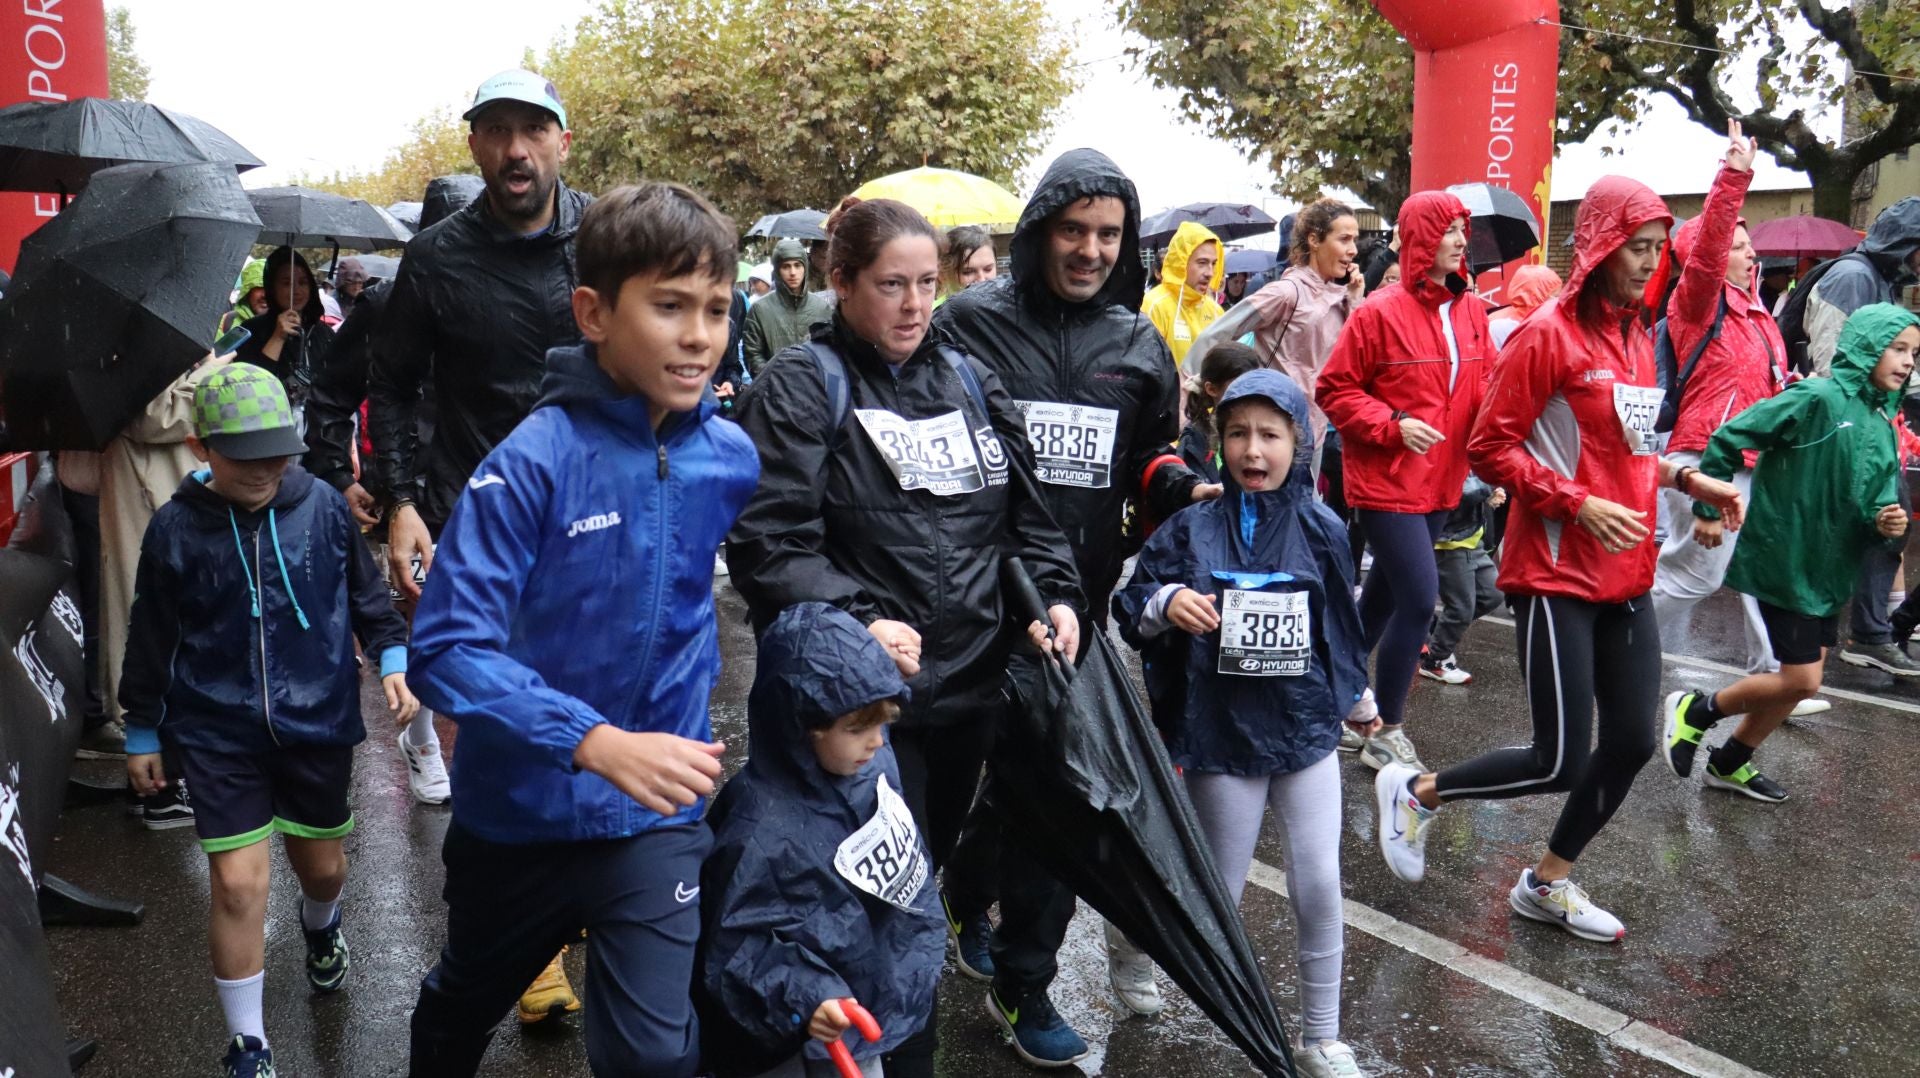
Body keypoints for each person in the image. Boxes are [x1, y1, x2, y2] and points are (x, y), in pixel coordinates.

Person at [405, 182, 758, 1077]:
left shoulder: (731, 457)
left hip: (658, 816)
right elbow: (447, 651)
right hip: (519, 819)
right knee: (460, 1009)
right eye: (669, 306)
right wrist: (593, 741)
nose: (698, 335)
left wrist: (851, 637)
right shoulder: (530, 462)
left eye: (716, 309)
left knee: (653, 1057)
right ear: (594, 313)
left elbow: (772, 572)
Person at [728, 196, 1081, 1077]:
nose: (915, 305)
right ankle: (881, 1053)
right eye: (892, 285)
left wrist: (1056, 597)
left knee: (913, 894)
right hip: (865, 713)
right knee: (881, 904)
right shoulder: (804, 386)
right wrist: (856, 624)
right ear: (841, 282)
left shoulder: (969, 381)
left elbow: (1028, 522)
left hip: (970, 694)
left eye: (928, 284)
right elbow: (769, 543)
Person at [1372, 175, 1744, 941]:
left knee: (1635, 742)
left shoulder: (1639, 338)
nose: (1647, 263)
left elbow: (1631, 451)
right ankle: (1416, 791)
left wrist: (1686, 476)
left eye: (1655, 250)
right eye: (1635, 248)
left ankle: (1547, 883)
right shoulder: (1547, 334)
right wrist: (1576, 503)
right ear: (1602, 245)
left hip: (1628, 570)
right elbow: (1489, 446)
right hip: (1554, 573)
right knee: (1560, 759)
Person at [932, 147, 1217, 1063]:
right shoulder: (968, 323)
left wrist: (1174, 484)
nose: (1091, 249)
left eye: (1108, 234)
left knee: (1065, 794)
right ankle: (964, 892)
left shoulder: (1138, 344)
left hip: (1070, 615)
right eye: (1073, 230)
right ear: (1038, 232)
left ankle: (1025, 982)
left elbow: (1147, 456)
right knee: (976, 789)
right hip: (968, 606)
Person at [368, 71, 595, 1020]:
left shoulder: (609, 238)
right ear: (473, 148)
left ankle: (588, 895)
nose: (515, 151)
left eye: (531, 131)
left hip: (591, 512)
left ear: (561, 142)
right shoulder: (436, 260)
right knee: (499, 721)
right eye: (496, 133)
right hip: (476, 511)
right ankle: (532, 954)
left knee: (591, 704)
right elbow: (391, 384)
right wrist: (400, 502)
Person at [118, 363, 417, 1078]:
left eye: (278, 450)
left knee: (322, 869)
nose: (266, 468)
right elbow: (151, 632)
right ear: (200, 448)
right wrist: (142, 728)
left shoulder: (319, 505)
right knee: (240, 885)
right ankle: (248, 1043)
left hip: (317, 721)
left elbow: (366, 596)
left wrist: (393, 657)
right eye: (245, 454)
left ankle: (323, 928)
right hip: (216, 730)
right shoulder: (174, 530)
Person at [1116, 369, 1376, 1078]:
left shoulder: (1323, 528)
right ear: (1218, 440)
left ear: (1300, 440)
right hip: (1222, 734)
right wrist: (1168, 600)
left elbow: (1340, 623)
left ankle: (1321, 1036)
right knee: (1215, 895)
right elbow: (1132, 602)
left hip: (1303, 730)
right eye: (1237, 434)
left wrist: (1358, 699)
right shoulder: (1190, 527)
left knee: (1319, 882)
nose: (1252, 450)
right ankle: (1135, 941)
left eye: (1269, 434)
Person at [1663, 304, 1919, 803]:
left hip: (1828, 571)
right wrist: (1709, 509)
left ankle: (1729, 762)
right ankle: (1696, 710)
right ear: (1867, 346)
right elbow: (1730, 437)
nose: (1908, 361)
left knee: (1796, 683)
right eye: (1898, 348)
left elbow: (1875, 509)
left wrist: (1891, 524)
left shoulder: (1883, 423)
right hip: (1784, 557)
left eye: (1915, 353)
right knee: (1803, 679)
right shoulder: (1817, 396)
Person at [696, 603, 943, 1078]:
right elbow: (737, 948)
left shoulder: (869, 764)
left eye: (883, 723)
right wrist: (809, 993)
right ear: (802, 726)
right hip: (824, 1030)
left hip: (878, 988)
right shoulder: (758, 833)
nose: (875, 741)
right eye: (857, 728)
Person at [1315, 191, 1493, 773]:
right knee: (1419, 599)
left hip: (1442, 483)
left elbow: (1488, 388)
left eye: (1463, 230)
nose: (1461, 241)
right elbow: (1335, 390)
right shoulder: (1378, 312)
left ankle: (1332, 697)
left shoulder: (1471, 312)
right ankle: (1386, 728)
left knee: (1381, 604)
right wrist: (1393, 425)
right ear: (1420, 239)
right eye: (1448, 231)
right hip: (1387, 482)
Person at [1645, 127, 1816, 691]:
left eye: (1748, 244)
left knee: (1760, 565)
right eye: (1739, 245)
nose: (1748, 250)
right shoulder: (1697, 300)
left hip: (1753, 462)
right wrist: (1736, 174)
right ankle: (1616, 645)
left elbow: (1763, 386)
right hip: (1705, 458)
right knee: (1694, 574)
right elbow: (1713, 238)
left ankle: (1772, 674)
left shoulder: (1759, 313)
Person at [98, 352, 239, 828]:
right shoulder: (138, 343)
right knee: (156, 631)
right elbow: (151, 417)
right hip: (149, 494)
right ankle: (158, 786)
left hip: (154, 489)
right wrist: (211, 375)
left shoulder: (151, 333)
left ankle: (152, 779)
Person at [1782, 197, 1920, 673]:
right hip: (1846, 426)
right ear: (1906, 243)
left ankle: (1866, 633)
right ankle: (1805, 657)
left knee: (1886, 524)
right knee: (1867, 525)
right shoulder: (1854, 277)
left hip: (1868, 422)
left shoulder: (1878, 279)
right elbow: (1833, 358)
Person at [1188, 199, 1366, 465]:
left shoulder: (1342, 296)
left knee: (1303, 505)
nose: (1352, 250)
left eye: (1355, 240)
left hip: (1315, 429)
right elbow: (1214, 335)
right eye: (1344, 239)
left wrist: (1354, 301)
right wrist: (1193, 388)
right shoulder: (1285, 293)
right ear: (1314, 240)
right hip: (1271, 428)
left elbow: (1355, 359)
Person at [1418, 473, 1504, 685]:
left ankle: (1436, 636)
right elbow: (1454, 487)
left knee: (1493, 594)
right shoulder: (1448, 443)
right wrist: (1488, 488)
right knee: (1460, 608)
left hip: (1471, 538)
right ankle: (1435, 660)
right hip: (1449, 542)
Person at [236, 246, 336, 417]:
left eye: (303, 282)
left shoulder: (324, 334)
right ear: (271, 287)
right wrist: (278, 337)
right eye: (286, 283)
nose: (296, 290)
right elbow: (249, 389)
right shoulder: (251, 330)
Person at [742, 238, 834, 375]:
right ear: (778, 270)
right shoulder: (760, 309)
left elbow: (831, 352)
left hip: (815, 389)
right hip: (775, 390)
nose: (793, 272)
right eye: (786, 266)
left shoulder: (822, 308)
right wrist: (775, 379)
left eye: (797, 265)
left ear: (805, 267)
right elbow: (752, 354)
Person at [1142, 221, 1225, 368]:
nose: (1210, 273)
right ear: (1181, 262)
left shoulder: (1215, 311)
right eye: (1202, 263)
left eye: (1213, 264)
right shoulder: (1154, 305)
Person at [1180, 342, 1262, 484]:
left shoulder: (1265, 429)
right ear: (1211, 389)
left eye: (1256, 384)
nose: (1251, 392)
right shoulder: (1195, 441)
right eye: (1241, 385)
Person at [1488, 264, 1562, 350]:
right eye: (1556, 296)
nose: (1558, 301)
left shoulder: (1549, 326)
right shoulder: (1500, 327)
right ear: (1537, 295)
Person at [940, 224, 998, 302]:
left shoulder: (1010, 306)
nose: (982, 280)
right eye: (968, 272)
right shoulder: (931, 312)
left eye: (988, 269)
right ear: (944, 273)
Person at [219, 259, 268, 338]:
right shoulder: (223, 320)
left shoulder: (284, 335)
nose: (266, 295)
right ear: (248, 290)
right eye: (260, 286)